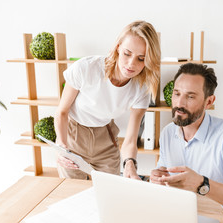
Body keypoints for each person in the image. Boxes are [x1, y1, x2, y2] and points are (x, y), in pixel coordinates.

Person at [54, 20, 161, 180]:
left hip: (106, 139)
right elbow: (62, 111)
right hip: (73, 136)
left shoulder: (142, 88)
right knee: (72, 193)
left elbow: (131, 139)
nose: (131, 64)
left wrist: (130, 163)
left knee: (106, 196)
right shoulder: (86, 68)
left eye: (141, 58)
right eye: (127, 53)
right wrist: (62, 147)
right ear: (118, 47)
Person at [150, 63, 223, 213]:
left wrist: (202, 184)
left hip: (217, 218)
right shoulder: (168, 132)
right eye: (177, 94)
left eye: (190, 96)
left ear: (208, 102)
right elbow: (165, 172)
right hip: (177, 214)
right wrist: (158, 177)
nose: (179, 103)